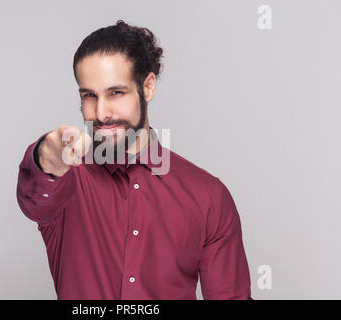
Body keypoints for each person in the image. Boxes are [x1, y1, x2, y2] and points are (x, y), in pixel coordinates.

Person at [16, 20, 253, 300]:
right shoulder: (67, 179)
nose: (102, 112)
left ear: (148, 87)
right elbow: (35, 197)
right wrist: (47, 157)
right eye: (89, 95)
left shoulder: (209, 196)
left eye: (116, 92)